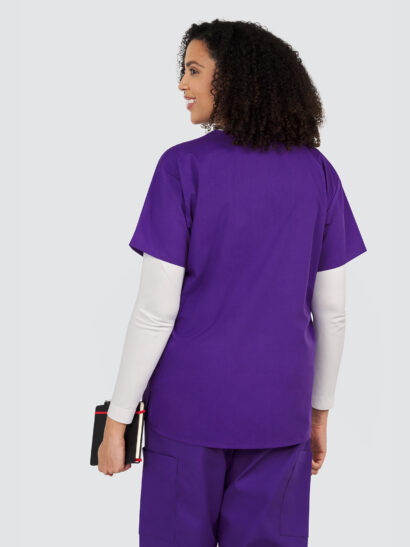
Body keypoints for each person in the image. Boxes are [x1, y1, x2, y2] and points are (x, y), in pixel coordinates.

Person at [97, 19, 367, 546]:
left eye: (194, 70)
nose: (182, 84)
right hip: (280, 413)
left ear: (235, 77)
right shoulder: (319, 174)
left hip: (187, 413)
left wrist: (117, 421)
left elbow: (155, 312)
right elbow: (332, 312)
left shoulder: (182, 168)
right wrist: (318, 414)